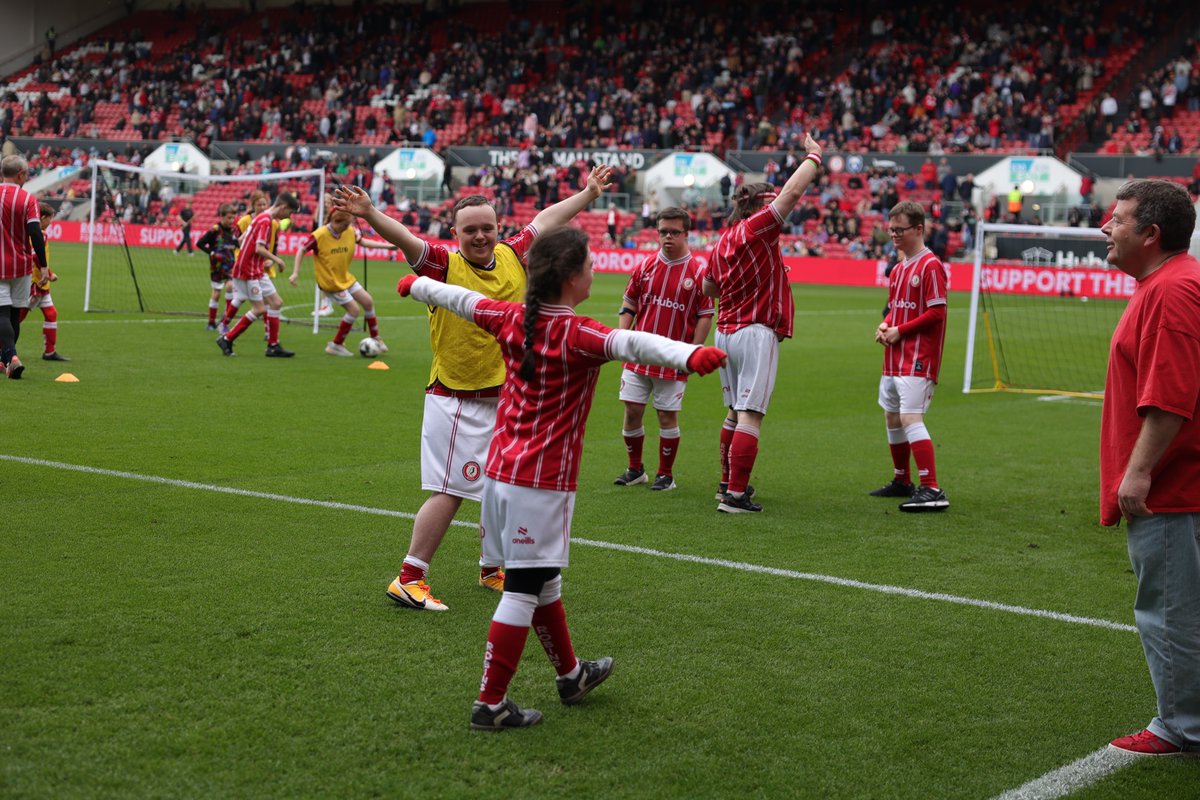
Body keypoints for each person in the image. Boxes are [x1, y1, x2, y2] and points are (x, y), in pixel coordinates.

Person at [394, 227, 727, 730]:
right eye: (590, 266)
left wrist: (416, 287)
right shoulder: (579, 334)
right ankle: (491, 703)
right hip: (541, 483)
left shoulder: (510, 317)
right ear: (572, 278)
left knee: (542, 576)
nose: (595, 272)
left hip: (502, 472)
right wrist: (689, 355)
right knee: (524, 587)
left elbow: (461, 299)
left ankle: (571, 676)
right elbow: (632, 342)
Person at [331, 164, 616, 612]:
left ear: (499, 228)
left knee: (500, 485)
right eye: (470, 230)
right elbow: (404, 238)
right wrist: (369, 213)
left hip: (502, 397)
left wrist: (588, 193)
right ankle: (409, 577)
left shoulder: (515, 253)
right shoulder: (443, 263)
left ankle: (491, 568)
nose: (480, 236)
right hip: (456, 400)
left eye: (487, 228)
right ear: (455, 232)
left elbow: (548, 218)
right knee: (451, 491)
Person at [1098, 179, 1200, 757]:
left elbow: (1170, 397)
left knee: (1169, 610)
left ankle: (1183, 726)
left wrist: (1137, 474)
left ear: (1151, 234)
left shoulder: (1171, 290)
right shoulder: (1169, 283)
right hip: (1182, 483)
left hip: (1173, 488)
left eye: (1118, 219)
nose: (1106, 229)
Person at [701, 132, 822, 513]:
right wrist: (814, 157)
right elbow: (791, 194)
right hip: (754, 330)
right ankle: (736, 495)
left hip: (726, 331)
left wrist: (742, 280)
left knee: (734, 411)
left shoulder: (723, 240)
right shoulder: (756, 228)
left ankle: (726, 485)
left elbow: (709, 287)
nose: (778, 213)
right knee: (751, 413)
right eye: (769, 204)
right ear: (757, 205)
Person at [613, 207, 714, 492]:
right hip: (639, 353)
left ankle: (665, 475)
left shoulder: (698, 272)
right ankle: (635, 469)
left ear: (686, 234)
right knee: (632, 411)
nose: (668, 237)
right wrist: (622, 336)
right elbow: (629, 303)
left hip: (672, 357)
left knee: (666, 415)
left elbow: (705, 314)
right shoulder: (644, 267)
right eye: (663, 232)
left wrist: (693, 352)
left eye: (674, 232)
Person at [869, 201, 950, 512]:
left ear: (919, 229)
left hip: (918, 356)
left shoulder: (931, 265)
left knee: (909, 417)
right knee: (891, 415)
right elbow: (893, 308)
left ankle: (932, 488)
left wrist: (900, 331)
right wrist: (885, 325)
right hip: (894, 355)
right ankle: (902, 480)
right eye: (891, 229)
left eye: (899, 230)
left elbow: (936, 312)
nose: (893, 235)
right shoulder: (899, 268)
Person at [288, 201, 398, 356]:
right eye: (344, 225)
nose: (347, 228)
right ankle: (336, 344)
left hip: (345, 277)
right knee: (354, 310)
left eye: (348, 225)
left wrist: (387, 246)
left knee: (367, 301)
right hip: (330, 282)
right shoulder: (319, 235)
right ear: (335, 221)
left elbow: (363, 242)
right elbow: (301, 250)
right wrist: (295, 272)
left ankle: (375, 338)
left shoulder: (350, 230)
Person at [215, 192, 300, 357]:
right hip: (248, 271)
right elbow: (259, 248)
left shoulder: (261, 217)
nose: (288, 217)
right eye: (289, 213)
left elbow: (241, 240)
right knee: (259, 308)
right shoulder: (266, 221)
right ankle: (227, 338)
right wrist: (278, 260)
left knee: (276, 302)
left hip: (256, 269)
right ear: (283, 207)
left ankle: (273, 345)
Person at [0, 155, 48, 379]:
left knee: (2, 313)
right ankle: (7, 361)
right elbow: (36, 233)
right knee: (15, 313)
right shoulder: (28, 199)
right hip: (22, 265)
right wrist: (44, 266)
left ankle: (11, 357)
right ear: (19, 175)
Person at [19, 202, 69, 361]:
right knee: (17, 317)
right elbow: (34, 256)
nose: (50, 223)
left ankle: (49, 352)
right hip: (34, 282)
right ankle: (3, 351)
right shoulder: (38, 234)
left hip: (41, 282)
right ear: (42, 218)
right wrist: (50, 273)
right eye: (50, 219)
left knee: (51, 313)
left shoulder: (35, 232)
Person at [196, 203, 239, 330]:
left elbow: (235, 243)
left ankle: (225, 319)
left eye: (233, 218)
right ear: (222, 217)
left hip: (230, 264)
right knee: (216, 293)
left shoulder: (232, 230)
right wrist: (212, 253)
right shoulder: (214, 230)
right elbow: (200, 243)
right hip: (217, 265)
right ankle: (211, 322)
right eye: (229, 218)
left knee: (230, 286)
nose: (231, 221)